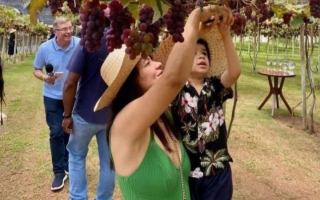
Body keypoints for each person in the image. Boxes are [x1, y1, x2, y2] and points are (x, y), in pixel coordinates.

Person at [93, 5, 233, 200]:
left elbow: (179, 74)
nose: (158, 63)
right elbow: (173, 79)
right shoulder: (124, 125)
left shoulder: (164, 115)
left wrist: (196, 35)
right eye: (147, 63)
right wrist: (194, 18)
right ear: (130, 82)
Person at [168, 12, 241, 200]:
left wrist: (225, 35)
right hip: (188, 172)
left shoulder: (215, 86)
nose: (201, 57)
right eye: (193, 54)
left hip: (218, 170)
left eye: (204, 54)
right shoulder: (176, 91)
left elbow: (234, 73)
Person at [62, 18, 115, 200]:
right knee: (108, 163)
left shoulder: (88, 42)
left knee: (76, 156)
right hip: (111, 117)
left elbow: (70, 84)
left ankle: (77, 198)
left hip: (84, 114)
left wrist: (66, 115)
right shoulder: (124, 45)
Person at [33, 17, 80, 191]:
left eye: (70, 28)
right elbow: (36, 69)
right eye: (64, 29)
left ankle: (68, 165)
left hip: (75, 96)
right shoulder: (45, 48)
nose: (69, 31)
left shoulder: (80, 44)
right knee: (56, 133)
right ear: (55, 32)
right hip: (52, 96)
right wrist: (45, 77)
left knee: (71, 131)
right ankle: (59, 171)